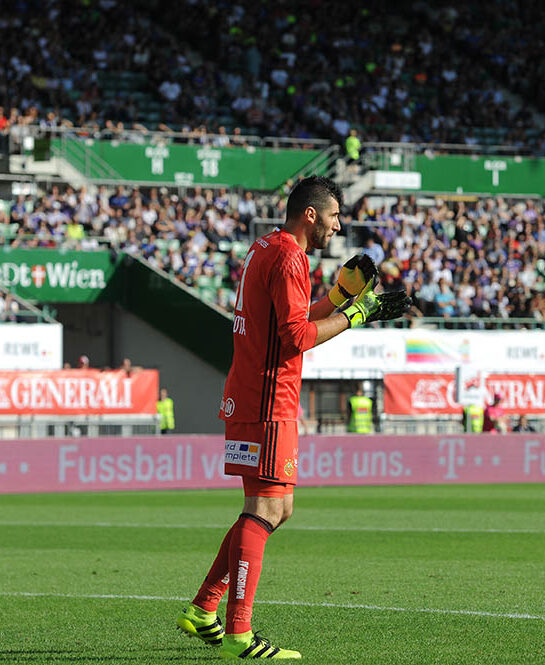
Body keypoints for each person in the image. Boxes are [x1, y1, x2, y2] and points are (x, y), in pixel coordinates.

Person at [175, 176, 413, 659]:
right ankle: (239, 633)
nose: (337, 226)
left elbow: (294, 319)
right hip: (267, 400)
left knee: (276, 509)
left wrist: (341, 297)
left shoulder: (268, 247)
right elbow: (296, 338)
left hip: (255, 395)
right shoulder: (289, 257)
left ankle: (203, 608)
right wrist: (357, 315)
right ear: (311, 214)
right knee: (265, 510)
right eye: (334, 216)